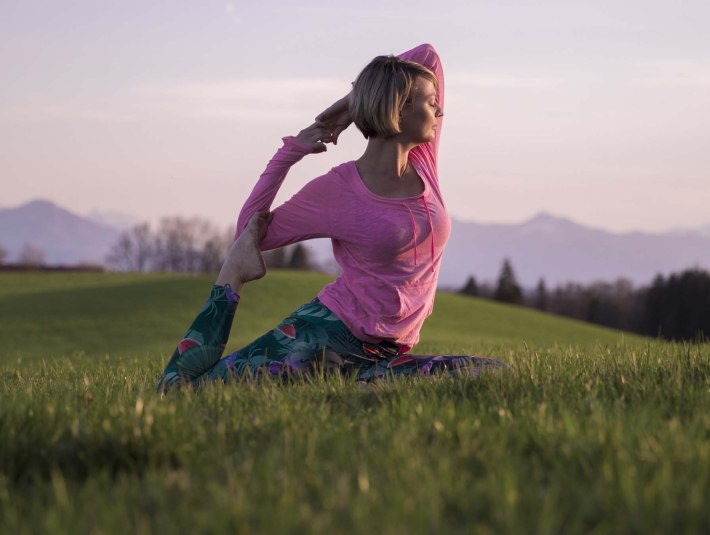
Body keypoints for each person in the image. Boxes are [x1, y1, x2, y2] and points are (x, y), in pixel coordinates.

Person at [156, 44, 504, 393]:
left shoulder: (423, 160)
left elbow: (428, 54)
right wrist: (289, 154)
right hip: (320, 338)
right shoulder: (338, 190)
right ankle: (234, 286)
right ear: (401, 107)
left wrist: (351, 104)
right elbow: (249, 232)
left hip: (386, 353)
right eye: (431, 102)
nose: (439, 110)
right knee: (180, 392)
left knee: (492, 372)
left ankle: (355, 384)